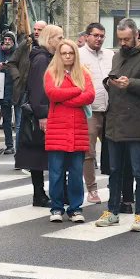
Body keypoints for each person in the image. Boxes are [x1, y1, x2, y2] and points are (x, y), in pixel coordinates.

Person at [95, 18, 140, 232]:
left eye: (126, 39)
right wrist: (110, 83)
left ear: (136, 36)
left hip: (137, 122)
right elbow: (114, 80)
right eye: (120, 39)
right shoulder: (117, 55)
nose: (123, 43)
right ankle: (112, 211)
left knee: (139, 171)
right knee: (114, 170)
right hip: (115, 121)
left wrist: (130, 84)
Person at [44, 38, 95, 222]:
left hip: (77, 129)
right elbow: (52, 93)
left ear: (75, 54)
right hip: (57, 129)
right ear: (59, 55)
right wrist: (76, 90)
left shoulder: (83, 73)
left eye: (70, 53)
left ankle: (75, 208)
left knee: (75, 173)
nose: (67, 56)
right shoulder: (51, 73)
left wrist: (64, 98)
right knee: (56, 172)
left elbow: (90, 95)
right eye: (64, 53)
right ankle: (56, 208)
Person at [16, 25, 61, 206]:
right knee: (38, 154)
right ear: (49, 39)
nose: (62, 40)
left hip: (43, 112)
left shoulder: (45, 57)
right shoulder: (42, 59)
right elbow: (38, 88)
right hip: (42, 113)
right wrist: (43, 114)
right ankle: (39, 194)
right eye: (59, 37)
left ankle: (41, 193)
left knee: (39, 154)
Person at [78, 23, 114, 204]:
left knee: (113, 151)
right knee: (89, 152)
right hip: (89, 110)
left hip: (111, 110)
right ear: (87, 36)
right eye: (95, 35)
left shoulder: (110, 55)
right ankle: (92, 189)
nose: (99, 39)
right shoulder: (78, 55)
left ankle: (114, 186)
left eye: (102, 36)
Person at [0, 32, 18, 155]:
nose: (7, 41)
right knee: (6, 120)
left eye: (9, 39)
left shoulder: (18, 53)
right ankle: (9, 145)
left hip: (17, 90)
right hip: (2, 90)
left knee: (19, 121)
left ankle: (19, 147)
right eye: (5, 39)